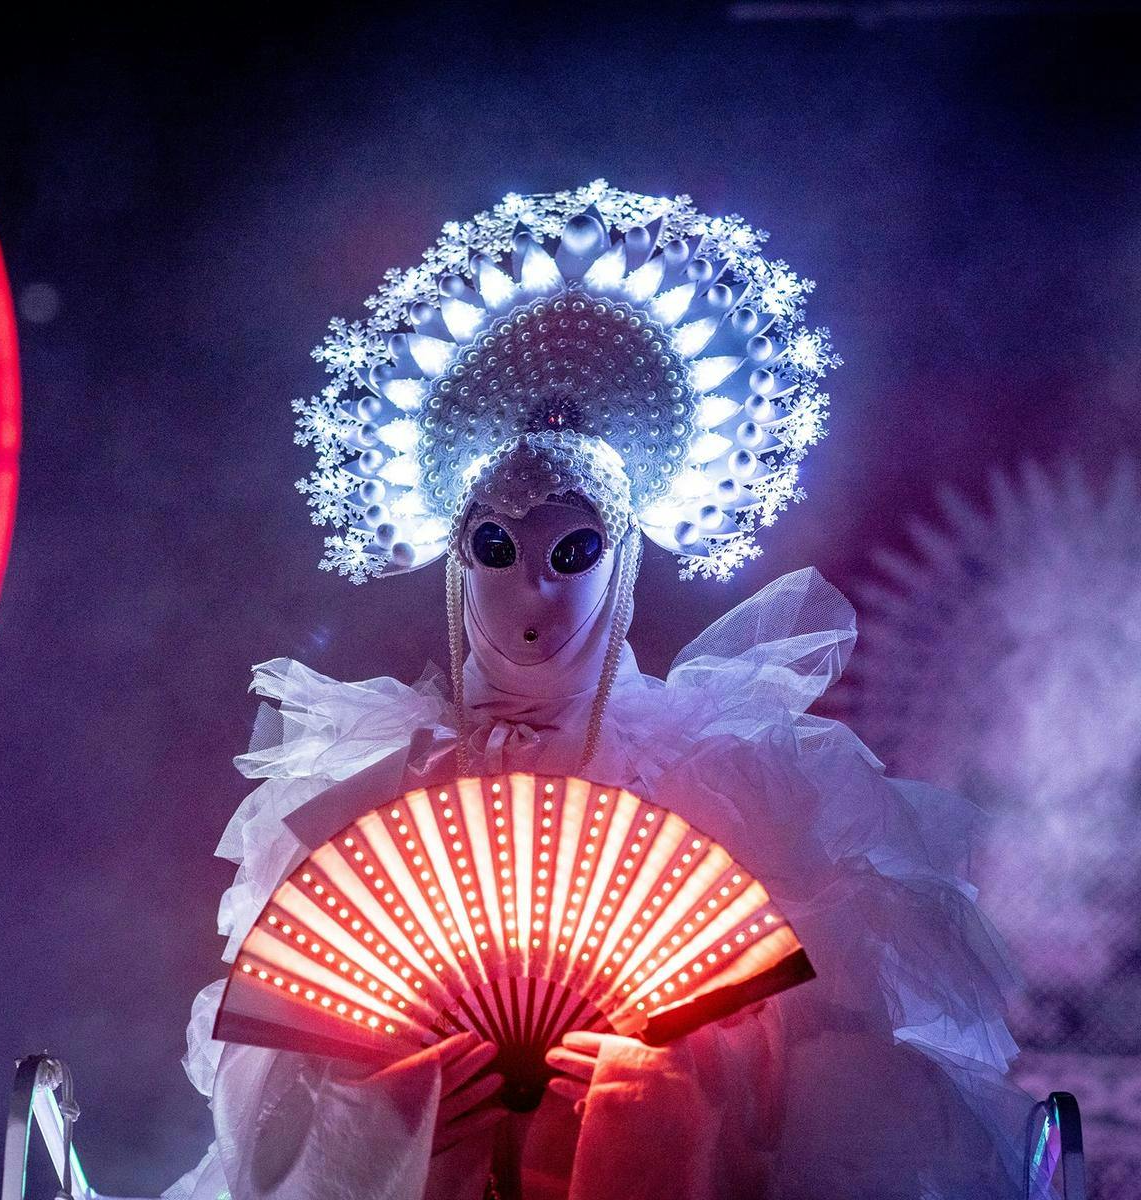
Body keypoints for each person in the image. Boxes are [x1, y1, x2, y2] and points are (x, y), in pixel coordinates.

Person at [164, 185, 1039, 1200]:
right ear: (454, 560)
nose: (530, 585)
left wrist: (660, 1084)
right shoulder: (364, 788)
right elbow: (272, 1099)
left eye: (571, 551)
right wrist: (402, 1095)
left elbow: (805, 1089)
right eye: (494, 547)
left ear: (622, 563)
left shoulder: (731, 786)